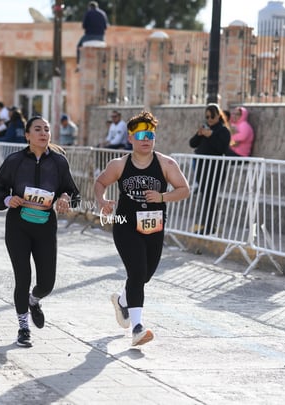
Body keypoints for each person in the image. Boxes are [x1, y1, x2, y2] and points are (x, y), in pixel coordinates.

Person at [94, 110, 190, 346]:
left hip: (154, 227)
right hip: (125, 224)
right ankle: (137, 327)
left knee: (144, 275)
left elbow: (184, 189)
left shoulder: (167, 164)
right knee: (137, 272)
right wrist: (103, 202)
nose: (146, 139)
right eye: (141, 135)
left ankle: (123, 301)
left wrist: (162, 197)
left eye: (150, 134)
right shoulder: (119, 164)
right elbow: (100, 183)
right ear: (130, 138)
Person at [0, 116, 81, 348]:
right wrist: (9, 199)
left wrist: (66, 197)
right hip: (18, 226)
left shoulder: (58, 162)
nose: (43, 133)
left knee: (47, 282)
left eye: (47, 129)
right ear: (27, 135)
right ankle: (23, 327)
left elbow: (73, 193)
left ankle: (34, 300)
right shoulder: (15, 161)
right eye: (37, 129)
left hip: (45, 227)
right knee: (23, 278)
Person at [189, 103, 231, 235]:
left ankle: (210, 226)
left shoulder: (223, 131)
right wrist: (200, 133)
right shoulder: (205, 128)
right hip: (202, 168)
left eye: (212, 116)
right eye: (207, 117)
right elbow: (192, 143)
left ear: (218, 116)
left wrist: (210, 135)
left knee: (211, 197)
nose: (209, 119)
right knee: (204, 197)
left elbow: (221, 148)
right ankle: (204, 225)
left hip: (215, 169)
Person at [76, 1, 109, 71]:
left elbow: (83, 26)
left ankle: (78, 65)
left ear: (89, 7)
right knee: (104, 50)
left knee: (78, 46)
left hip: (88, 37)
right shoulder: (103, 14)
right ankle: (104, 65)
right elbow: (106, 27)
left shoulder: (88, 13)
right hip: (100, 38)